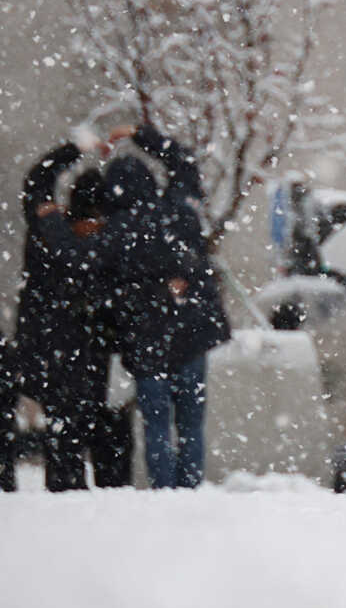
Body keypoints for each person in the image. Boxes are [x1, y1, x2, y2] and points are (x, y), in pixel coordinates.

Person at [101, 124, 232, 490]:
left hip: (147, 338)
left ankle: (164, 490)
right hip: (192, 329)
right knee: (191, 422)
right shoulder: (179, 210)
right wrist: (142, 133)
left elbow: (109, 286)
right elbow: (184, 162)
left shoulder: (115, 231)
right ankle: (189, 487)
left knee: (156, 423)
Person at [18, 153, 129, 490]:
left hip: (53, 347)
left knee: (66, 427)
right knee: (93, 426)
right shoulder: (103, 245)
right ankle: (101, 490)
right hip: (84, 350)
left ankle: (70, 488)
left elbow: (36, 183)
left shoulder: (50, 233)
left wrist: (70, 151)